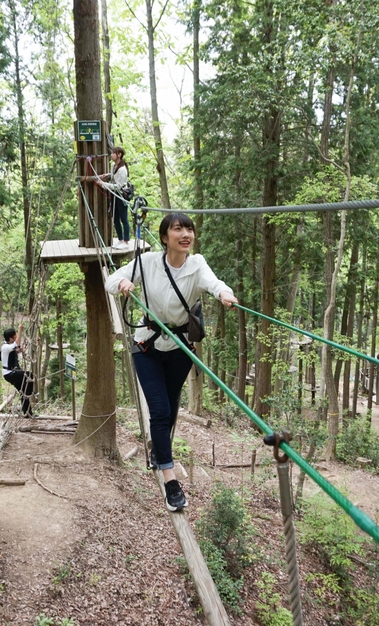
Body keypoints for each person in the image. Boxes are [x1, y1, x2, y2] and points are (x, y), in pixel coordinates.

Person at [105, 213, 237, 511]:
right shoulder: (148, 261)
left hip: (180, 347)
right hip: (147, 345)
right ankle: (170, 478)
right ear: (165, 237)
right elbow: (110, 279)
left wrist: (224, 293)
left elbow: (213, 283)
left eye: (189, 228)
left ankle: (159, 449)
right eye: (178, 229)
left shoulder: (196, 263)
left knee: (172, 405)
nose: (185, 233)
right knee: (160, 410)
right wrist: (124, 281)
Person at [97, 146, 131, 250]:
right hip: (114, 195)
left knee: (123, 218)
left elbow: (119, 186)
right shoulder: (114, 166)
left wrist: (103, 184)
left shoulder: (122, 169)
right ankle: (120, 239)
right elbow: (113, 176)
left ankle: (126, 241)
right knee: (115, 218)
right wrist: (105, 175)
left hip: (121, 195)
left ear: (119, 155)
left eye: (113, 153)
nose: (111, 155)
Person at [1, 323, 34, 417]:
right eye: (15, 337)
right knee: (29, 375)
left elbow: (17, 348)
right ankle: (31, 392)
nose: (16, 338)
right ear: (11, 338)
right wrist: (20, 330)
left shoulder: (10, 347)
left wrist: (21, 350)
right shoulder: (6, 347)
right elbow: (16, 344)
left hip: (12, 373)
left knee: (23, 392)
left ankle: (28, 414)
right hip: (9, 373)